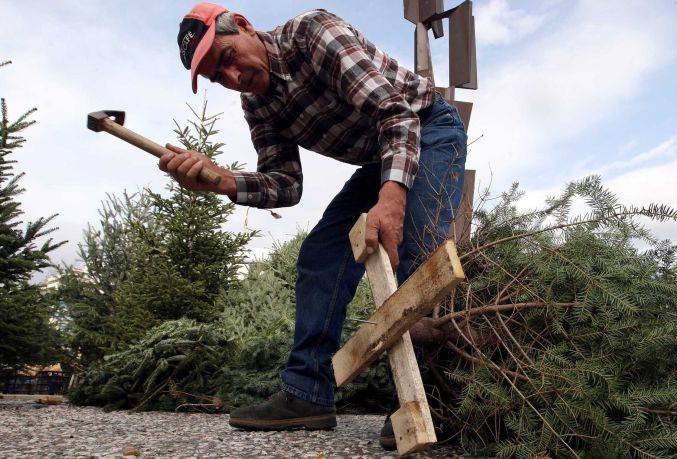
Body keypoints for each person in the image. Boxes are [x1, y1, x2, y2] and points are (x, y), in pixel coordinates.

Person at [162, 2, 467, 449]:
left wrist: (392, 197)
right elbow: (286, 186)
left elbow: (396, 115)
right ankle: (307, 394)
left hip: (427, 129)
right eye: (216, 77)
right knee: (321, 256)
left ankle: (432, 399)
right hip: (378, 158)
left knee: (416, 248)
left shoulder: (312, 34)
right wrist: (223, 181)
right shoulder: (258, 104)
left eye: (226, 58)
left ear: (244, 26)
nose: (232, 78)